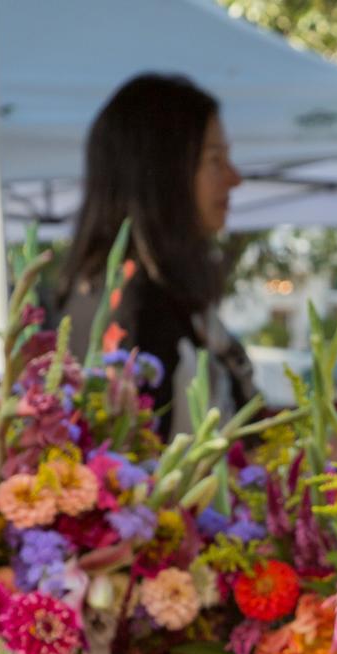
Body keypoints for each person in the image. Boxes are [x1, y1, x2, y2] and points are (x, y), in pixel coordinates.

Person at [58, 73, 253, 430]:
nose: (234, 177)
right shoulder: (131, 303)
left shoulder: (163, 291)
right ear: (165, 171)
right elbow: (130, 465)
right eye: (215, 159)